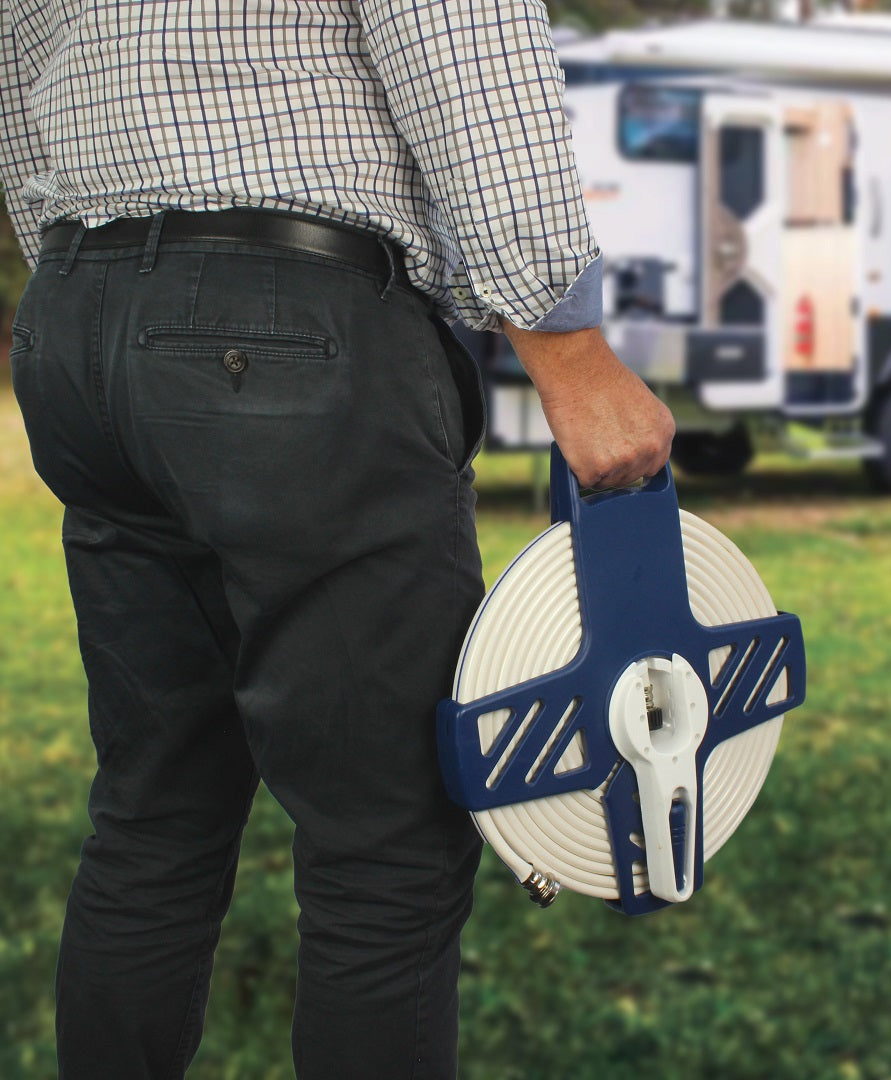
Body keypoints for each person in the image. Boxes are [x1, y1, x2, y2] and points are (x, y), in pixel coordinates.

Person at [0, 2, 674, 1077]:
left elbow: (21, 96)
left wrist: (108, 294)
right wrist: (570, 349)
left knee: (151, 818)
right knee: (386, 854)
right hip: (291, 323)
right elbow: (463, 49)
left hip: (78, 317)